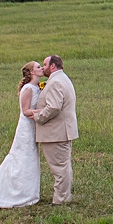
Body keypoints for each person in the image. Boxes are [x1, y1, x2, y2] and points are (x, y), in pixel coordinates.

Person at [0, 62, 44, 208]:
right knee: (21, 157)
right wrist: (44, 111)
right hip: (26, 129)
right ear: (32, 72)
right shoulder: (28, 89)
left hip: (34, 127)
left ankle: (28, 191)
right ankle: (13, 193)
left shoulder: (37, 87)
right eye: (38, 67)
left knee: (32, 158)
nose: (41, 69)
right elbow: (26, 112)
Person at [31, 53, 79, 205]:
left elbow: (54, 107)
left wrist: (39, 117)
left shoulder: (55, 82)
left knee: (59, 168)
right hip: (62, 131)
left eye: (45, 65)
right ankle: (63, 197)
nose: (43, 68)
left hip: (56, 132)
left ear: (52, 66)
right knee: (63, 166)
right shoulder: (63, 78)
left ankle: (60, 200)